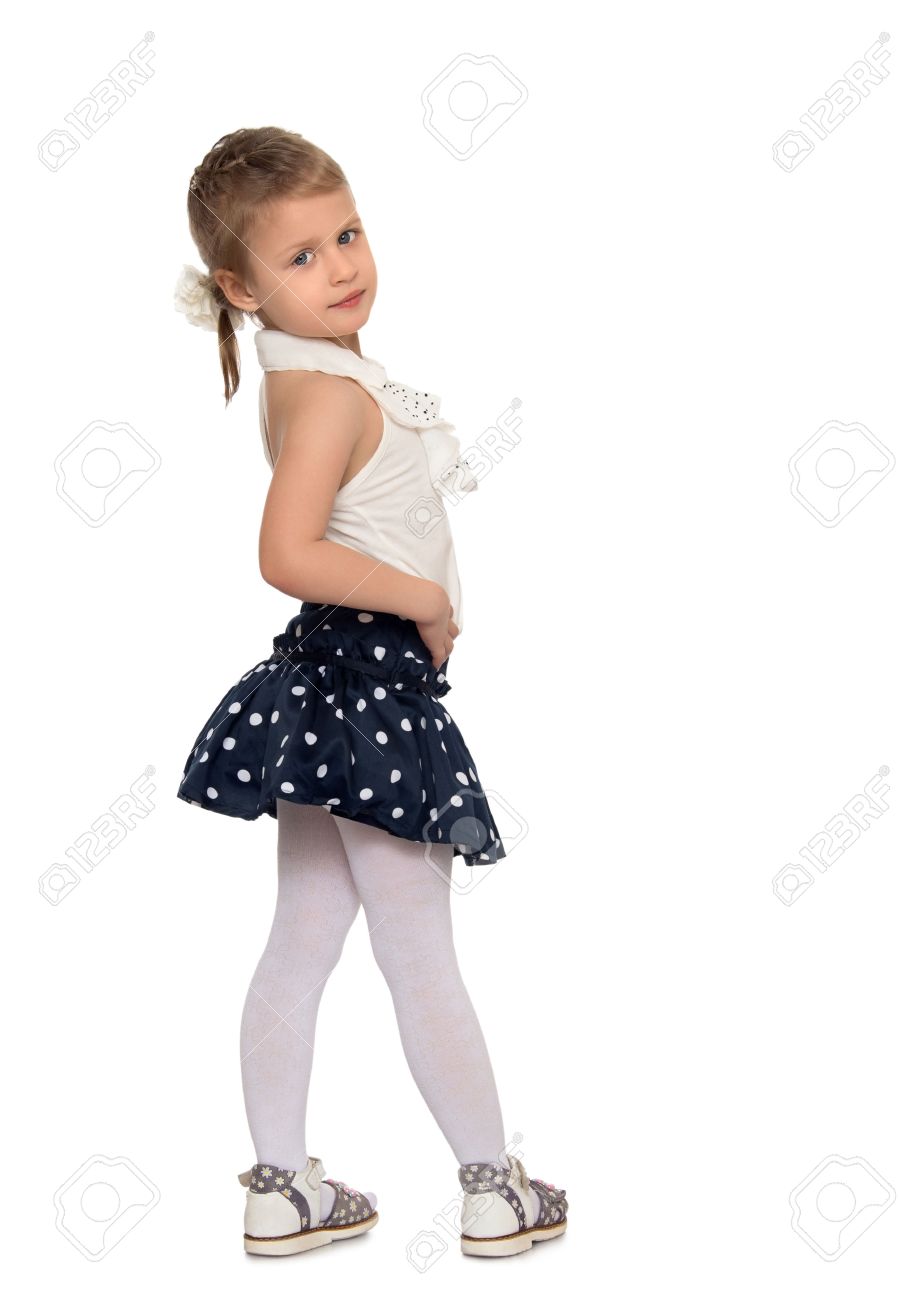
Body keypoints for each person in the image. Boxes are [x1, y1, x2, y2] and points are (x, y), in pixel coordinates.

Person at [173, 126, 568, 1258]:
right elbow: (286, 552)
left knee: (304, 935)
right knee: (417, 947)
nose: (341, 266)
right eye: (300, 256)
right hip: (365, 684)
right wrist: (426, 602)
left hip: (325, 687)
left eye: (347, 234)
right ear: (240, 288)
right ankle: (492, 1188)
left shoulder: (314, 375)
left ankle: (279, 1187)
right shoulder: (330, 397)